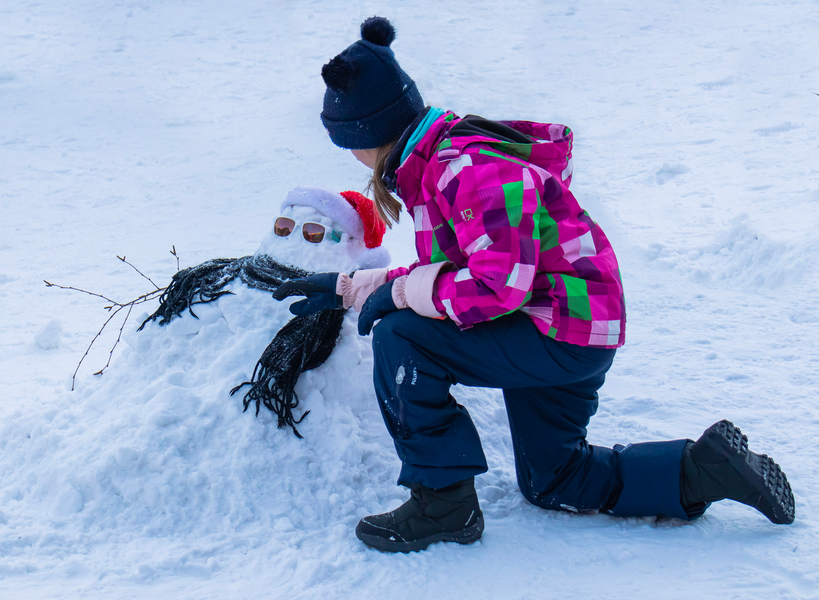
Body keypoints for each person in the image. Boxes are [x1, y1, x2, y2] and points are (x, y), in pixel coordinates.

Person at [273, 16, 795, 553]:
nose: (354, 158)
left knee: (401, 336)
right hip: (567, 326)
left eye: (350, 144)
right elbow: (462, 273)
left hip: (556, 329)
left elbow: (495, 289)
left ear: (370, 131)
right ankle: (704, 469)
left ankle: (442, 504)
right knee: (556, 480)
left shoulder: (465, 170)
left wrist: (399, 297)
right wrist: (352, 287)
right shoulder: (438, 164)